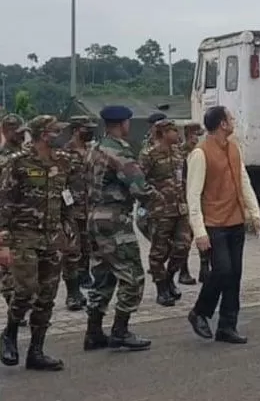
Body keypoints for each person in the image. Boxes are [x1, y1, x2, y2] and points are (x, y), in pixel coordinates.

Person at [83, 106, 160, 352]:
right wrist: (158, 198)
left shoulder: (94, 150)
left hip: (94, 217)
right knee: (133, 275)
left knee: (103, 275)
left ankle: (93, 332)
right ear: (123, 123)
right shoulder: (119, 152)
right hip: (115, 220)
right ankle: (120, 330)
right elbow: (139, 188)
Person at [0, 115, 74, 371]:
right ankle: (9, 334)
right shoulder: (17, 163)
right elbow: (4, 204)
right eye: (56, 131)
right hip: (24, 236)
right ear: (44, 134)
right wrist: (4, 244)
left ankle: (36, 351)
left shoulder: (62, 162)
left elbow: (65, 199)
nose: (60, 135)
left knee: (47, 296)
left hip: (52, 238)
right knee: (25, 290)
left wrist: (69, 230)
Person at [186, 106, 260, 344]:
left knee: (234, 275)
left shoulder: (234, 148)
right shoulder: (200, 153)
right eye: (230, 118)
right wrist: (199, 231)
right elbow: (193, 195)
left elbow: (244, 180)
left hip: (235, 220)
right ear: (222, 124)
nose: (233, 121)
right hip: (213, 224)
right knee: (223, 270)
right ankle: (200, 311)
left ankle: (227, 326)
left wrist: (254, 212)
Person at [138, 118, 192, 307]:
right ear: (163, 133)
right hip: (160, 211)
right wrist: (153, 198)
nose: (177, 134)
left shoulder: (178, 152)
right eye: (173, 131)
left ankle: (169, 277)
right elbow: (139, 181)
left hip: (180, 208)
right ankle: (161, 288)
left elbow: (183, 177)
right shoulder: (149, 154)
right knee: (159, 252)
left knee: (183, 246)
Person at [61, 116, 98, 311]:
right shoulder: (65, 153)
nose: (90, 132)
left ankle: (85, 277)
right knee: (71, 251)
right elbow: (60, 183)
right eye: (86, 128)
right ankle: (72, 294)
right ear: (76, 130)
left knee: (87, 247)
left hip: (90, 208)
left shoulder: (91, 151)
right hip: (72, 210)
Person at [0, 114, 27, 327]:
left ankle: (19, 311)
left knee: (20, 267)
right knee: (7, 269)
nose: (22, 136)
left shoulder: (23, 155)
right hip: (4, 218)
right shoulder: (3, 158)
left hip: (21, 218)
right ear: (7, 131)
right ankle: (14, 313)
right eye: (18, 132)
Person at [175, 122, 203, 286]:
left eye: (198, 135)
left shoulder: (199, 150)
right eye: (194, 135)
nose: (196, 138)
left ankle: (204, 268)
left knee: (200, 233)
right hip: (185, 199)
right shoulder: (181, 153)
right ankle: (183, 271)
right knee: (185, 238)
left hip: (199, 197)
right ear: (187, 134)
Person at [135, 112, 167, 246]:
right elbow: (140, 175)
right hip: (151, 196)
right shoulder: (146, 147)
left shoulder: (174, 142)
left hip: (171, 195)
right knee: (142, 222)